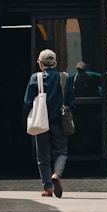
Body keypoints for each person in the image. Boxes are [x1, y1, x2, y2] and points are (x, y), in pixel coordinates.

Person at [23, 48, 76, 198]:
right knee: (61, 152)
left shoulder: (36, 78)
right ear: (55, 63)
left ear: (40, 64)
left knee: (43, 156)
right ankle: (56, 175)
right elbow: (71, 100)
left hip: (41, 122)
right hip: (59, 121)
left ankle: (48, 187)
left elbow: (27, 102)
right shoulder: (65, 77)